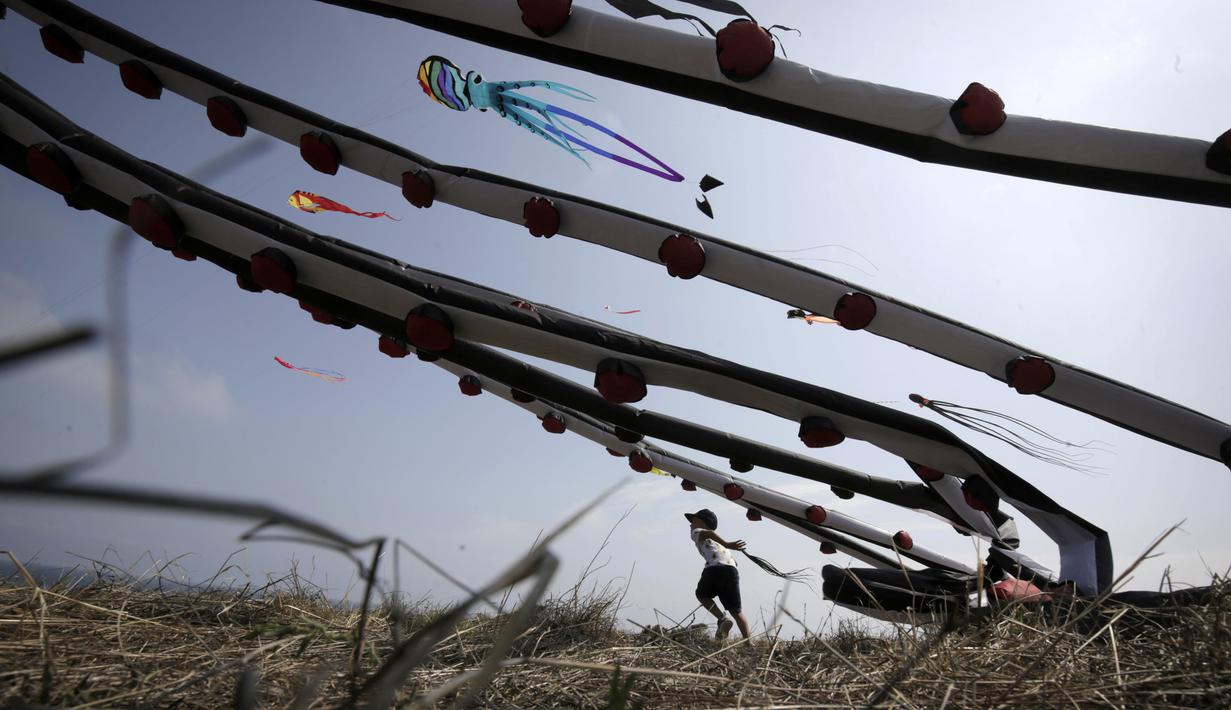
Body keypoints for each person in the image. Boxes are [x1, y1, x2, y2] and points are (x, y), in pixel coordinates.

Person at [685, 508, 750, 640]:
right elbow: (732, 562)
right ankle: (748, 642)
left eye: (693, 520)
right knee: (736, 611)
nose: (690, 524)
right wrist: (727, 546)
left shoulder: (697, 532)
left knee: (702, 595)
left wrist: (727, 543)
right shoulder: (720, 546)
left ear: (703, 523)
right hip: (731, 571)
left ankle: (722, 618)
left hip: (714, 569)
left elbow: (709, 533)